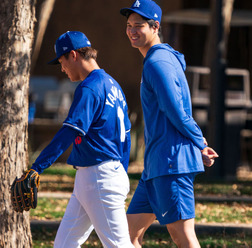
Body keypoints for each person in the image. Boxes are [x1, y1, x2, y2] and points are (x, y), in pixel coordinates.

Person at [120, 1, 219, 247]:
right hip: (155, 167)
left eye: (139, 25)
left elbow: (175, 109)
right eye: (129, 25)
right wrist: (198, 146)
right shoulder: (158, 59)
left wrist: (198, 141)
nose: (132, 31)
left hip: (170, 165)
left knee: (183, 237)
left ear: (155, 27)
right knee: (127, 237)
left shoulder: (158, 62)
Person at [31, 31, 134, 248]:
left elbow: (69, 132)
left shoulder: (89, 87)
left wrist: (37, 167)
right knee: (64, 245)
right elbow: (126, 136)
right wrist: (120, 172)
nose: (62, 68)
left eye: (62, 61)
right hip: (98, 176)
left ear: (74, 55)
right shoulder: (112, 84)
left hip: (99, 176)